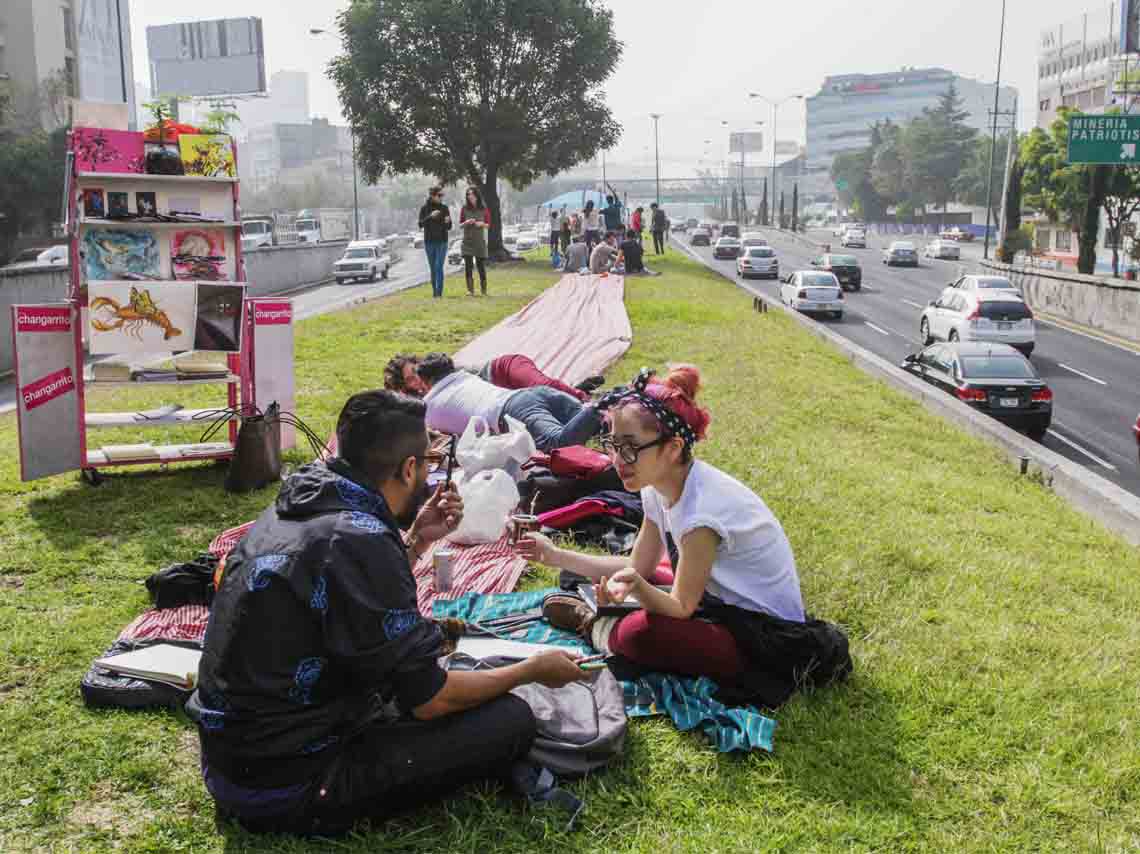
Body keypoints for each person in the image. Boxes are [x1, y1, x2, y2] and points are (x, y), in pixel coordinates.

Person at [188, 391, 589, 836]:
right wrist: (531, 669)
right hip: (291, 783)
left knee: (430, 664)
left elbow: (343, 598)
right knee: (511, 720)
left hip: (234, 762)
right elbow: (431, 701)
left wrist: (417, 539)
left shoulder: (299, 505)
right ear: (409, 469)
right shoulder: (359, 539)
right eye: (429, 459)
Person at [517, 366, 851, 705]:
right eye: (612, 444)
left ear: (673, 448)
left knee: (640, 633)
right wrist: (554, 555)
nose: (618, 459)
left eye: (630, 447)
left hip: (761, 634)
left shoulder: (701, 515)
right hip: (717, 601)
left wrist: (636, 587)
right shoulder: (656, 489)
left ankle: (594, 626)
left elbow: (678, 607)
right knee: (592, 573)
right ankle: (603, 619)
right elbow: (639, 566)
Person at [415, 353, 604, 451]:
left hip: (511, 412)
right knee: (601, 427)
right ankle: (614, 405)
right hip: (531, 394)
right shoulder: (464, 377)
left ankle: (603, 404)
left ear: (425, 382)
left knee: (559, 444)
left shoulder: (429, 408)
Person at [384, 353, 604, 404]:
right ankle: (577, 389)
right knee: (545, 400)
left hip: (504, 369)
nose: (416, 379)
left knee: (542, 386)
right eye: (410, 380)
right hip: (508, 398)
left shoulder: (440, 370)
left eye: (415, 371)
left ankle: (585, 399)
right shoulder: (427, 401)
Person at [418, 187, 452, 298]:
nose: (441, 197)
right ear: (432, 196)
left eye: (442, 195)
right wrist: (430, 216)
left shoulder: (444, 208)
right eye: (439, 195)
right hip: (429, 242)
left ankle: (439, 293)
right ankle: (435, 293)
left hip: (442, 241)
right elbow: (420, 224)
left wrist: (449, 221)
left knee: (438, 266)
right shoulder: (424, 209)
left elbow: (449, 227)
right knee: (433, 268)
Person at [459, 187, 490, 296]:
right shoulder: (464, 208)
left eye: (472, 194)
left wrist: (481, 224)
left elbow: (488, 224)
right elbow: (460, 225)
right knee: (468, 266)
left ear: (477, 195)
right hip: (467, 242)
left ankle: (483, 291)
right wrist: (466, 222)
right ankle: (470, 291)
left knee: (480, 265)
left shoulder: (484, 209)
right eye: (468, 194)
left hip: (479, 242)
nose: (470, 196)